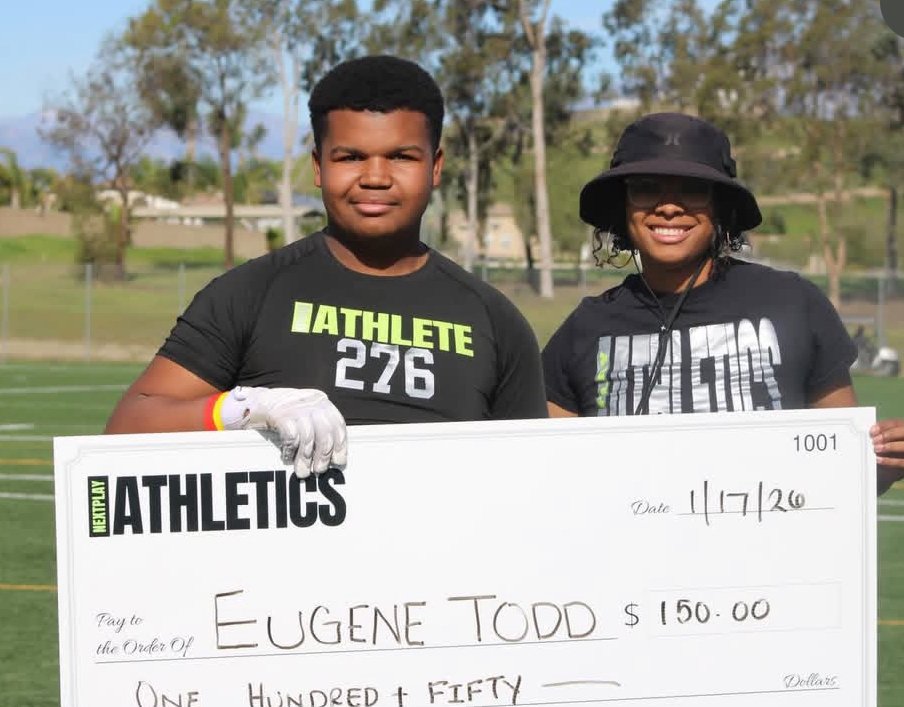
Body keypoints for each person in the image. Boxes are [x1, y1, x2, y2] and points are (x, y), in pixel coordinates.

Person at [105, 55, 546, 476]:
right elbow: (127, 426)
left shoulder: (495, 321)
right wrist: (244, 408)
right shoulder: (251, 294)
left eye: (401, 156)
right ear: (318, 165)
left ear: (436, 166)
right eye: (350, 157)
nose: (375, 176)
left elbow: (536, 475)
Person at [541, 112, 904, 493]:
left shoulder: (792, 303)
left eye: (693, 190)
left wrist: (884, 461)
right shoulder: (585, 329)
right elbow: (547, 477)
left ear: (721, 209)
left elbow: (843, 469)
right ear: (622, 207)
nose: (668, 207)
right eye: (646, 187)